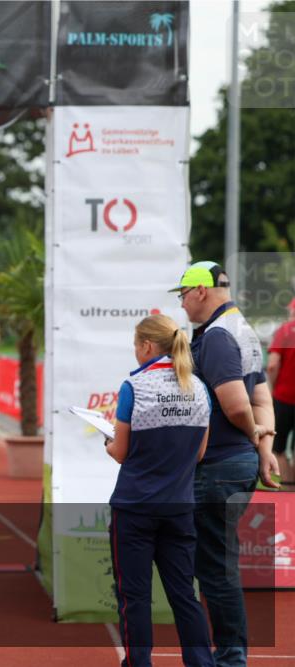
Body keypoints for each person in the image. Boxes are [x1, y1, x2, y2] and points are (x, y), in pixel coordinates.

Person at [169, 261, 279, 667]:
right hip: (234, 462)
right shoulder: (243, 329)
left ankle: (231, 657)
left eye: (181, 294)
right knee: (217, 564)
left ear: (200, 291)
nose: (181, 303)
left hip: (217, 464)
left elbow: (236, 405)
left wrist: (252, 438)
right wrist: (264, 448)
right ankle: (227, 653)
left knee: (215, 568)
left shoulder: (216, 336)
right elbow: (262, 401)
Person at [105, 314, 214, 667]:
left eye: (136, 345)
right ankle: (201, 663)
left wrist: (109, 441)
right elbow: (199, 453)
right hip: (179, 506)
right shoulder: (198, 388)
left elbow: (120, 453)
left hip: (135, 507)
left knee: (134, 597)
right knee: (185, 594)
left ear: (147, 347)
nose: (135, 352)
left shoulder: (134, 388)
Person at [267, 297, 295, 485]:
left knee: (278, 447)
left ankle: (288, 488)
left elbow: (272, 365)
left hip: (284, 397)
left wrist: (272, 389)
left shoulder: (285, 330)